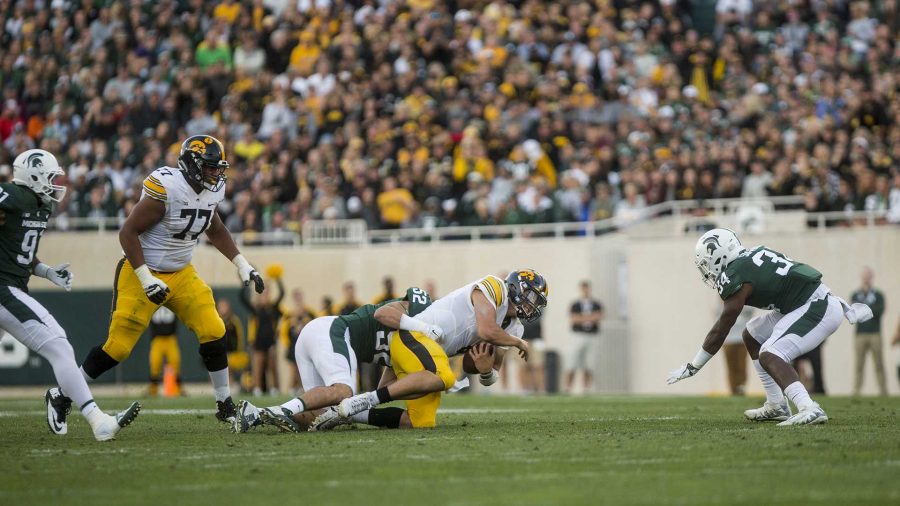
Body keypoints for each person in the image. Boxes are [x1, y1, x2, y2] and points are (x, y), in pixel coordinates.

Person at [73, 135, 265, 425]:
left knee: (214, 328)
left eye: (218, 168)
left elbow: (215, 228)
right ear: (192, 165)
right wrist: (145, 277)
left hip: (181, 271)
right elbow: (127, 232)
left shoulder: (212, 192)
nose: (216, 173)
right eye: (210, 167)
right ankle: (64, 393)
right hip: (142, 270)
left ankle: (225, 403)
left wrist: (242, 264)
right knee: (118, 348)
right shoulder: (168, 188)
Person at [0, 149, 140, 441]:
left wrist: (47, 271)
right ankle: (97, 420)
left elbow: (19, 254)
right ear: (33, 174)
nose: (54, 184)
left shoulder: (40, 205)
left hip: (12, 283)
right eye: (50, 177)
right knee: (59, 345)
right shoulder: (12, 195)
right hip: (4, 289)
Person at [667, 228, 873, 426]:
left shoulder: (735, 273)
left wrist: (694, 365)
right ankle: (777, 405)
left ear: (720, 255)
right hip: (801, 304)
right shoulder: (751, 255)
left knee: (770, 353)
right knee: (753, 335)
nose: (708, 270)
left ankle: (808, 407)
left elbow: (722, 328)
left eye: (707, 263)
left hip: (817, 306)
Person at [314, 270, 545, 430]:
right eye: (532, 295)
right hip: (413, 336)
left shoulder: (515, 327)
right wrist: (517, 343)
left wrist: (484, 371)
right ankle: (364, 400)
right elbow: (487, 330)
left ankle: (346, 413)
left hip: (428, 354)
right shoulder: (494, 287)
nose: (532, 303)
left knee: (418, 421)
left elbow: (490, 373)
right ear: (516, 286)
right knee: (443, 377)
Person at [233, 286, 443, 433]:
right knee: (343, 390)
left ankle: (255, 414)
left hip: (317, 336)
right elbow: (381, 313)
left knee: (316, 414)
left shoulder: (404, 340)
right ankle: (278, 410)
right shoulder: (396, 315)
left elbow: (384, 389)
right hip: (333, 331)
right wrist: (421, 326)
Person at [241, 271, 284, 396]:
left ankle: (274, 388)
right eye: (263, 294)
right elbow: (242, 298)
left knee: (273, 367)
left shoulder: (273, 308)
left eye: (267, 293)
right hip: (258, 343)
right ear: (259, 296)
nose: (265, 296)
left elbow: (282, 293)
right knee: (257, 368)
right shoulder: (255, 309)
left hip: (270, 343)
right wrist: (246, 282)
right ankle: (257, 388)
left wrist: (278, 279)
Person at [850, 267, 887, 395]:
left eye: (868, 276)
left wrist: (864, 307)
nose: (866, 278)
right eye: (864, 276)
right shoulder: (855, 294)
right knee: (859, 364)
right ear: (862, 277)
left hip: (875, 334)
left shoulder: (878, 295)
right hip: (860, 335)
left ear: (871, 277)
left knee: (879, 363)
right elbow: (854, 313)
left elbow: (879, 312)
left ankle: (883, 391)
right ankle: (856, 390)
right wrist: (868, 309)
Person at [565, 280, 603, 393]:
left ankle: (586, 388)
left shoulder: (596, 304)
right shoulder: (575, 304)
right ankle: (568, 387)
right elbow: (574, 319)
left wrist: (582, 318)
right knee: (572, 362)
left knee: (589, 363)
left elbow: (599, 317)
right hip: (578, 336)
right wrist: (590, 318)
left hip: (592, 336)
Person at [148, 306, 182, 396]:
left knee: (175, 363)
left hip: (170, 338)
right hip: (157, 339)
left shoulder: (172, 300)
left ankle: (179, 389)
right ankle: (153, 390)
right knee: (155, 365)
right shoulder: (153, 301)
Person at [218, 298, 249, 393]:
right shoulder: (217, 321)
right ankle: (217, 388)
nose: (223, 309)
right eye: (221, 307)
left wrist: (237, 351)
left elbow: (240, 338)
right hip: (220, 353)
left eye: (224, 307)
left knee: (227, 363)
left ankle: (231, 387)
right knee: (213, 362)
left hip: (235, 354)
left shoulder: (234, 321)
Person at [723, 307, 755, 396]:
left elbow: (750, 312)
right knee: (731, 366)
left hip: (742, 339)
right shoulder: (722, 305)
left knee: (742, 364)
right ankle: (733, 389)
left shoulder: (746, 305)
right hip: (728, 340)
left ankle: (741, 386)